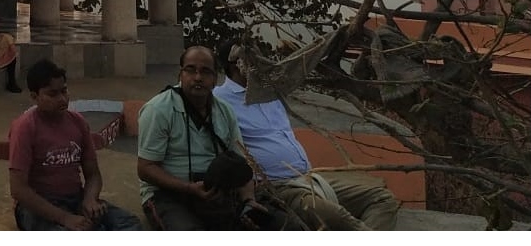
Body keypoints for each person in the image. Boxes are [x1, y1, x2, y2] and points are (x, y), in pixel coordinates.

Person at [214, 38, 400, 230]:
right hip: (276, 187)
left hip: (309, 178)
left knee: (382, 199)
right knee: (338, 217)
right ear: (236, 64)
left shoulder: (270, 94)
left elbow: (295, 68)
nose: (262, 61)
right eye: (254, 57)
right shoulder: (219, 100)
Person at [137, 45, 280, 230]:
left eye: (205, 71)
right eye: (191, 70)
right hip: (167, 195)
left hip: (215, 193)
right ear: (180, 75)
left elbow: (241, 162)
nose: (198, 77)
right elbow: (145, 168)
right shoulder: (158, 110)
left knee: (276, 223)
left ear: (214, 79)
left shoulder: (225, 111)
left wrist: (248, 200)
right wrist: (188, 188)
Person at [7, 57, 143, 230]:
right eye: (52, 94)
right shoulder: (25, 128)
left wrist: (90, 199)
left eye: (64, 91)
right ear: (35, 97)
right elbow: (18, 189)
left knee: (130, 224)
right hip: (38, 207)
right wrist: (65, 218)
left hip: (76, 198)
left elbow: (93, 174)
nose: (62, 99)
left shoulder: (77, 122)